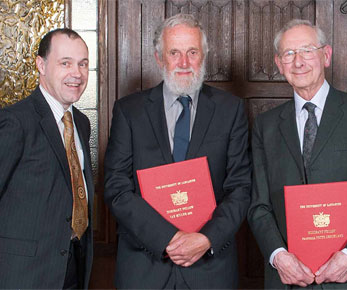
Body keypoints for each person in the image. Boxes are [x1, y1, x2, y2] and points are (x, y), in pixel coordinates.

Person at [103, 13, 251, 289]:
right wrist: (167, 238)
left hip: (210, 269)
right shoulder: (129, 111)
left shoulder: (230, 110)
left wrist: (206, 239)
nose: (184, 63)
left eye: (192, 52)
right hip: (144, 268)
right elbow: (116, 187)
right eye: (174, 52)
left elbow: (240, 188)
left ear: (203, 56)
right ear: (160, 58)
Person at [247, 19, 347, 288]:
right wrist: (278, 257)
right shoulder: (265, 126)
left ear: (326, 55)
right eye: (289, 53)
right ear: (279, 64)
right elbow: (258, 205)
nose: (298, 61)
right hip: (288, 278)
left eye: (307, 50)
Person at [0, 28, 94, 288]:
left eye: (83, 64)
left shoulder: (81, 124)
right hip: (18, 274)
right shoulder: (13, 122)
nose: (76, 73)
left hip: (69, 269)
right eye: (65, 63)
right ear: (41, 65)